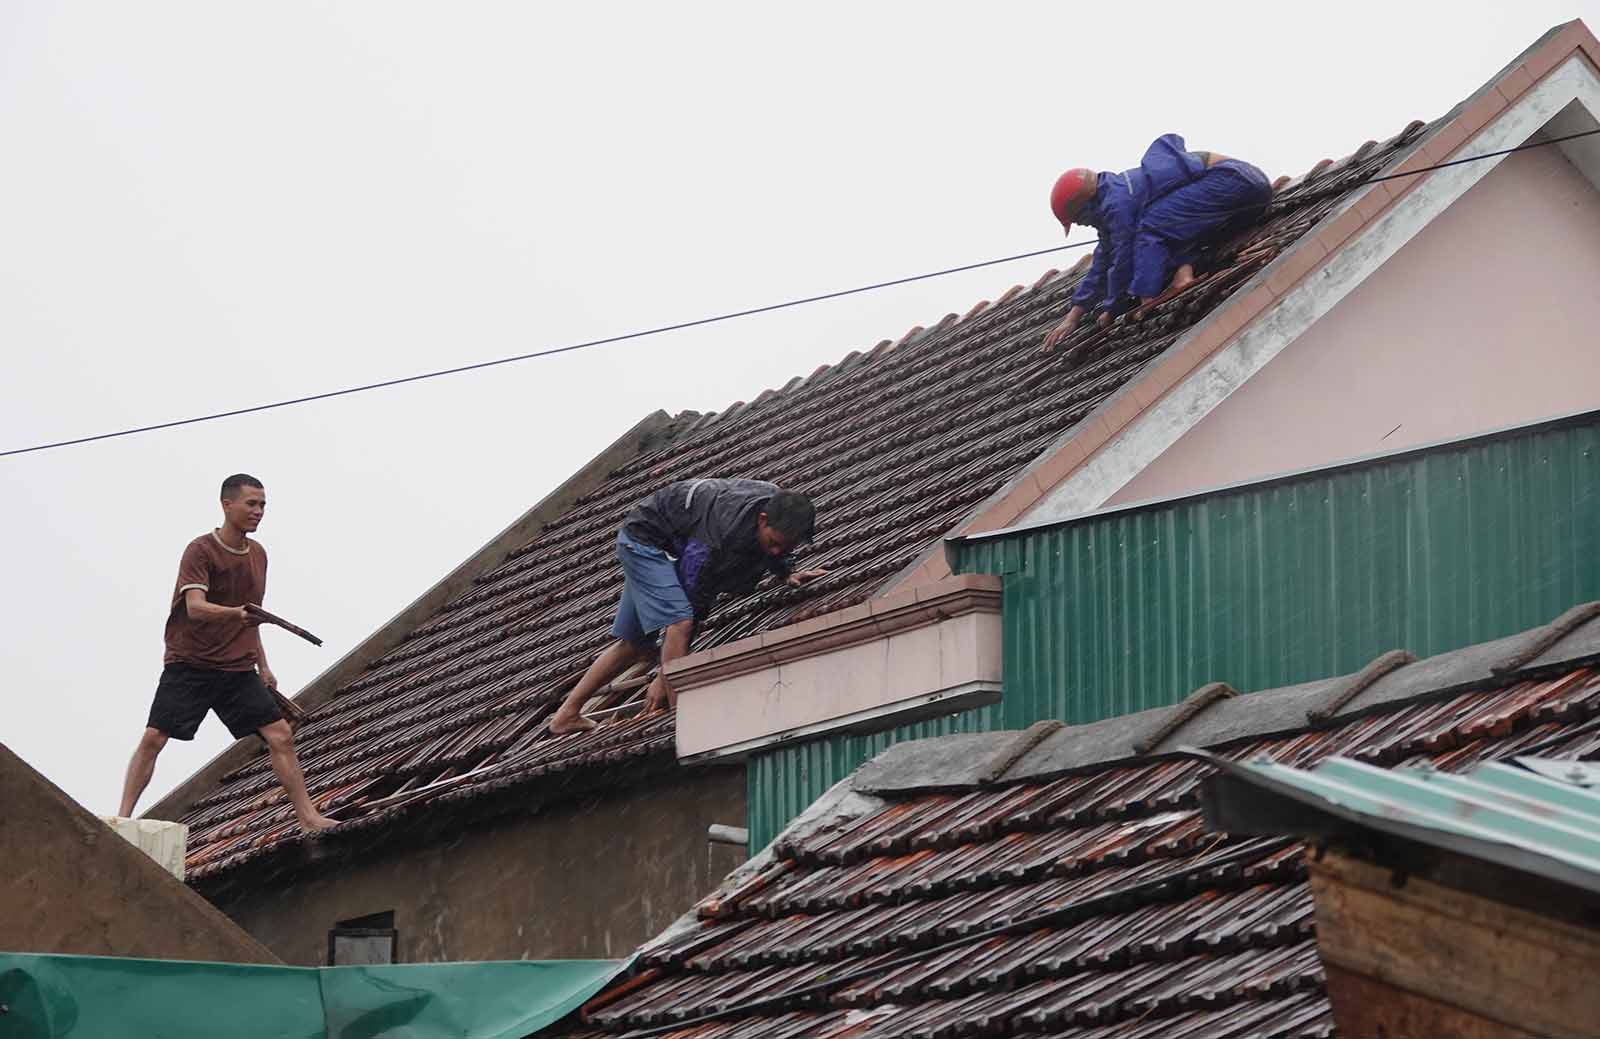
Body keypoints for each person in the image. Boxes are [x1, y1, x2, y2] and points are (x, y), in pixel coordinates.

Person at [117, 474, 336, 833]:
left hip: (236, 667)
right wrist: (236, 614)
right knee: (155, 737)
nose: (258, 511)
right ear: (227, 504)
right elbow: (196, 607)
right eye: (251, 503)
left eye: (263, 505)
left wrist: (264, 665)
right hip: (190, 662)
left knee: (280, 734)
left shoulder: (259, 556)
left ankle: (309, 818)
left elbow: (254, 617)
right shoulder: (200, 550)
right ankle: (122, 819)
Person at [548, 478, 826, 734]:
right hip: (644, 545)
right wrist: (665, 676)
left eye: (786, 547)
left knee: (635, 645)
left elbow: (770, 552)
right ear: (762, 519)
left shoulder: (775, 506)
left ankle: (566, 715)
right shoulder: (716, 536)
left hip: (669, 546)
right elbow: (690, 605)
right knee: (680, 622)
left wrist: (786, 570)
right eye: (774, 543)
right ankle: (678, 715)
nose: (777, 551)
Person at [1042, 134, 1273, 351]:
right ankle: (1183, 275)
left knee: (1150, 227)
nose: (1083, 225)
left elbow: (1122, 259)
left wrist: (1114, 308)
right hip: (1244, 193)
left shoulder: (1117, 204)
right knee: (1166, 229)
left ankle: (1148, 296)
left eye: (1079, 220)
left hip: (1234, 180)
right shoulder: (1113, 200)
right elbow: (1104, 259)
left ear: (1087, 206)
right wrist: (1072, 317)